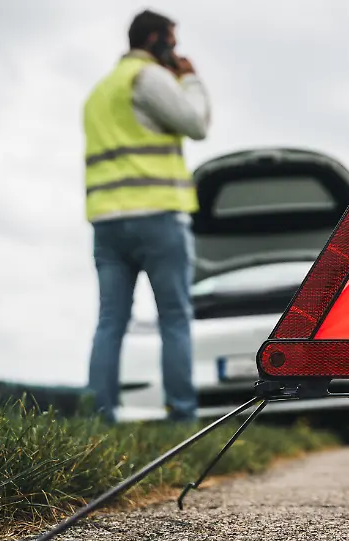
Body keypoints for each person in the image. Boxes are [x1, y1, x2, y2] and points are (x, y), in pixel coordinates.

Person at [82, 9, 212, 423]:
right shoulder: (149, 77)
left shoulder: (99, 93)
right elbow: (196, 124)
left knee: (110, 322)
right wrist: (189, 78)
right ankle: (182, 415)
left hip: (106, 221)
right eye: (172, 41)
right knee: (174, 317)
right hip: (157, 216)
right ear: (155, 39)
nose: (175, 49)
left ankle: (99, 417)